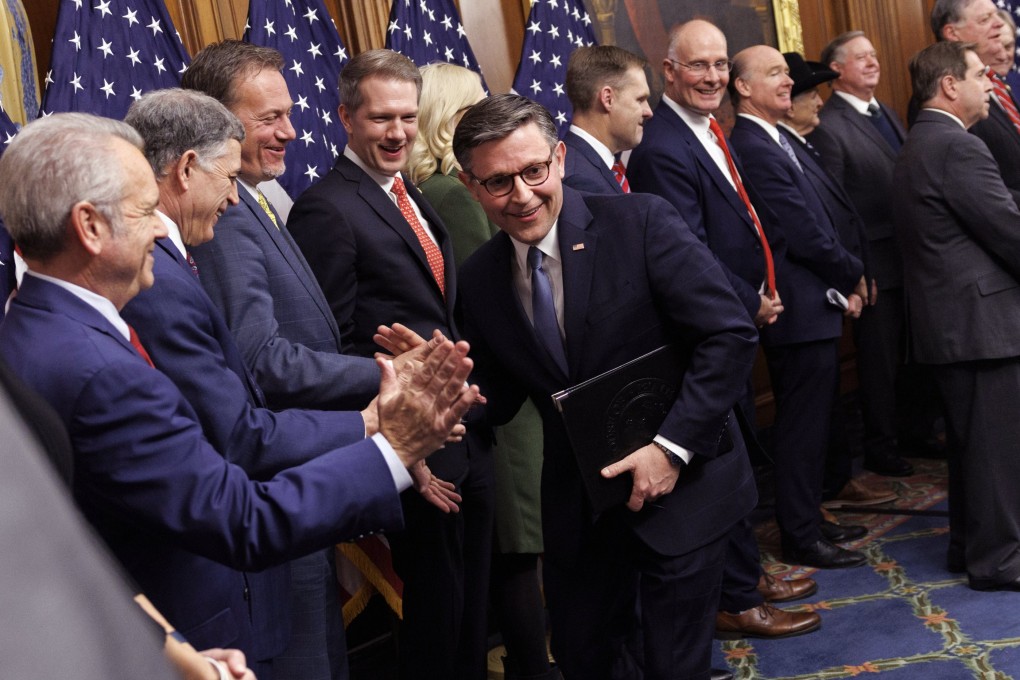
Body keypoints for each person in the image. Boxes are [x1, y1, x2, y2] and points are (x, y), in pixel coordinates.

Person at [0, 113, 478, 678]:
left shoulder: (36, 325)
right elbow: (241, 517)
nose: (160, 227)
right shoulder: (101, 372)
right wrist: (393, 444)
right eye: (142, 209)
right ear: (90, 226)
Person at [119, 88, 457, 677]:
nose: (233, 197)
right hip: (239, 540)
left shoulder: (187, 253)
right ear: (188, 168)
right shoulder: (159, 282)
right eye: (227, 176)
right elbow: (241, 425)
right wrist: (377, 423)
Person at [453, 92, 759, 680]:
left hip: (685, 490)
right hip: (583, 511)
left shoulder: (640, 222)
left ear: (560, 159)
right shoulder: (481, 278)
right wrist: (444, 395)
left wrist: (670, 449)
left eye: (533, 171)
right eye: (497, 183)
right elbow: (501, 392)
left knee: (673, 667)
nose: (521, 196)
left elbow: (728, 335)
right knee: (585, 659)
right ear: (472, 188)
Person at [179, 41, 388, 680]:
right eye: (269, 118)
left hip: (300, 472)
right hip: (273, 482)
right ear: (217, 121)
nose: (290, 132)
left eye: (288, 114)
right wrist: (381, 376)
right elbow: (260, 359)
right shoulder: (224, 216)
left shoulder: (256, 199)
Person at [288, 49, 494, 680]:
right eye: (381, 118)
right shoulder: (327, 208)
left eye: (407, 116)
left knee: (470, 616)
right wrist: (411, 453)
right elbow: (331, 348)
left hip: (465, 436)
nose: (398, 132)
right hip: (414, 451)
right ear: (346, 117)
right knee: (436, 616)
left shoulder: (408, 193)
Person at [626, 19, 820, 644]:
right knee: (723, 462)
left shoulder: (711, 128)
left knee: (737, 460)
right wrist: (745, 303)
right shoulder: (661, 145)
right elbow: (688, 250)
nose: (710, 77)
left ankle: (746, 578)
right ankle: (737, 598)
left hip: (737, 318)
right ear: (669, 72)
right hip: (714, 327)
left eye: (718, 66)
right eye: (697, 66)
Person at [408, 62, 555, 680]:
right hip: (506, 395)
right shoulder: (450, 193)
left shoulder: (427, 190)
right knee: (522, 543)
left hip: (495, 392)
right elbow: (495, 296)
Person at [728, 44, 868, 569]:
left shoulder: (777, 138)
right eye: (775, 74)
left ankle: (810, 516)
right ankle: (801, 535)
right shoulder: (753, 144)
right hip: (798, 306)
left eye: (788, 74)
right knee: (801, 428)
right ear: (742, 87)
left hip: (815, 301)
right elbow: (800, 231)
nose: (789, 82)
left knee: (814, 425)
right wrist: (850, 272)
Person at [894, 40, 1020, 590]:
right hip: (980, 325)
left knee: (977, 449)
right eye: (979, 76)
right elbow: (1008, 232)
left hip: (957, 323)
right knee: (996, 453)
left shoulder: (927, 138)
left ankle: (971, 546)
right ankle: (999, 561)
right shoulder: (956, 145)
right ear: (949, 85)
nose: (991, 85)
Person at [778, 54, 899, 513]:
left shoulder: (802, 144)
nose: (818, 105)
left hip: (832, 289)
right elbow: (806, 230)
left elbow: (836, 214)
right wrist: (850, 275)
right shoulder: (772, 146)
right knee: (808, 418)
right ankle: (808, 514)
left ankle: (826, 494)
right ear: (787, 103)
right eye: (810, 95)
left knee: (824, 408)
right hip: (809, 296)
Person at [809, 32, 925, 479]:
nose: (874, 63)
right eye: (862, 58)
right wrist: (854, 269)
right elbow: (835, 206)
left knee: (911, 358)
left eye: (876, 55)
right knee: (877, 365)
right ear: (836, 70)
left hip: (911, 257)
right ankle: (882, 446)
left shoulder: (889, 113)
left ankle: (914, 432)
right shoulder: (830, 123)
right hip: (872, 266)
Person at [930, 0, 1020, 205]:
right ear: (953, 33)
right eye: (985, 19)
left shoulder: (999, 83)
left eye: (996, 15)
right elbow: (973, 188)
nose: (999, 23)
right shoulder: (943, 96)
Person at [562, 45, 652, 195]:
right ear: (608, 99)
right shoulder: (579, 180)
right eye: (640, 99)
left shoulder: (596, 166)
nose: (648, 112)